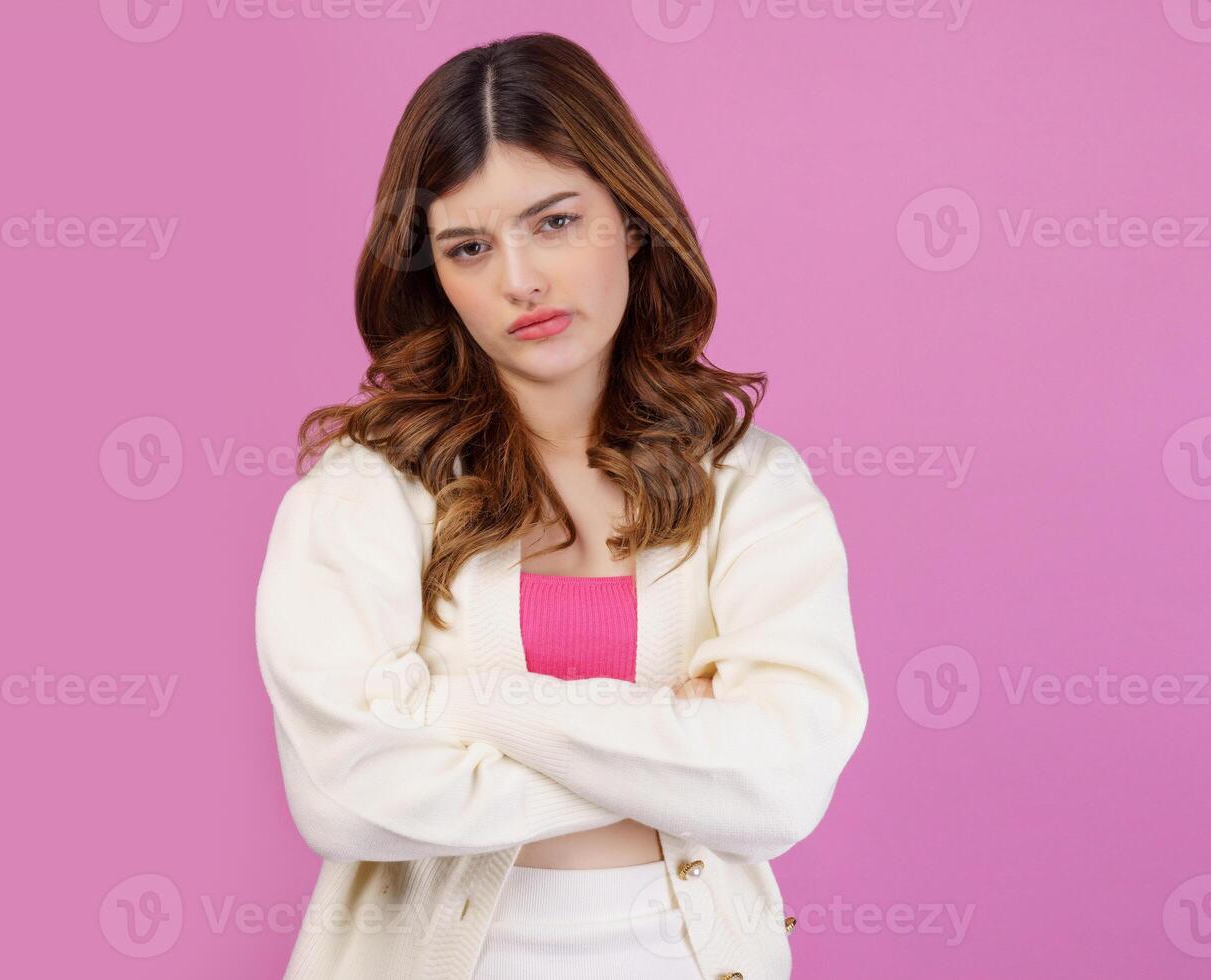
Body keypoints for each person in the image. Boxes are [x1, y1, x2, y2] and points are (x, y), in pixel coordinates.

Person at [254, 31, 869, 980]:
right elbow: (344, 798)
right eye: (469, 246)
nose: (519, 281)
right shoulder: (363, 489)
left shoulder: (754, 485)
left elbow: (778, 788)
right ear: (436, 276)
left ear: (629, 219)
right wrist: (674, 755)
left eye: (554, 221)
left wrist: (462, 706)